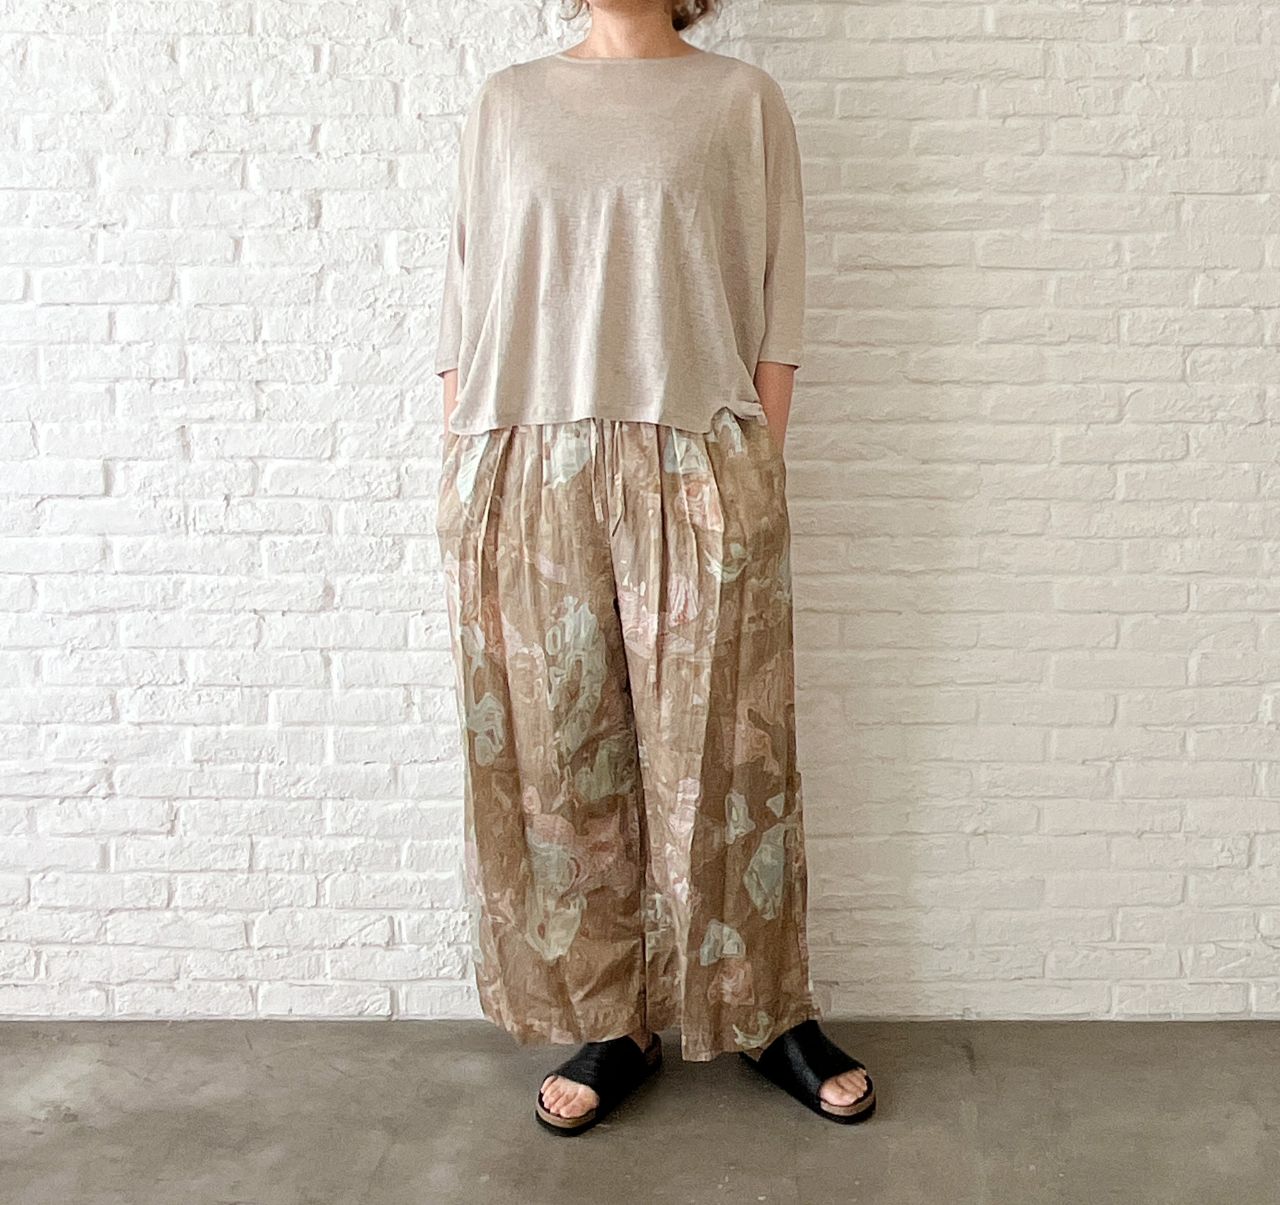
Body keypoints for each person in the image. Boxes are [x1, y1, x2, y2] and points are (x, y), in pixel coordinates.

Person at [433, 0, 875, 1136]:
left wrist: (754, 465)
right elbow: (467, 296)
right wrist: (466, 465)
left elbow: (777, 301)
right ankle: (612, 1017)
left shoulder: (738, 101)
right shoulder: (507, 104)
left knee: (729, 755)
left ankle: (765, 1009)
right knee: (559, 759)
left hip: (695, 452)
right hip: (528, 459)